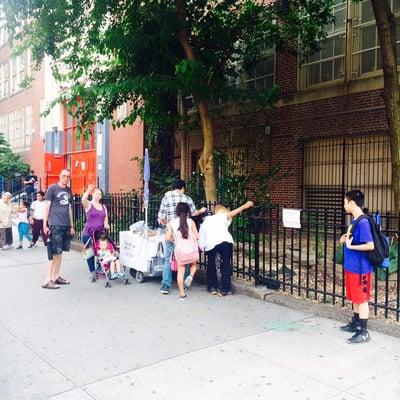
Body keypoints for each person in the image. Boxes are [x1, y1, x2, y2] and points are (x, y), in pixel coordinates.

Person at [157, 179, 206, 295]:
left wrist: (165, 223)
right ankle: (184, 284)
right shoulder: (187, 199)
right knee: (187, 259)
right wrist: (202, 210)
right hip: (185, 235)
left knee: (168, 259)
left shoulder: (166, 198)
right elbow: (194, 213)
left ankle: (165, 285)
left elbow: (161, 218)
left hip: (171, 234)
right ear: (183, 188)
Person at [339, 189, 374, 344]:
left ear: (352, 203)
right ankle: (355, 323)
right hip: (352, 267)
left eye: (345, 202)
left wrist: (351, 247)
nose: (344, 205)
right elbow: (353, 240)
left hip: (361, 269)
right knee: (354, 297)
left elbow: (370, 245)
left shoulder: (363, 222)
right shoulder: (355, 221)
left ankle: (363, 331)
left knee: (362, 299)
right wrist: (345, 239)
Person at [199, 201, 254, 296]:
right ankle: (225, 288)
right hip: (225, 241)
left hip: (210, 243)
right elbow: (234, 212)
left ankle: (212, 286)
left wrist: (202, 247)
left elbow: (201, 235)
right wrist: (246, 205)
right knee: (225, 264)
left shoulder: (207, 220)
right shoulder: (223, 215)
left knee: (211, 264)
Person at [42, 169, 74, 289]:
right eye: (64, 176)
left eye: (68, 176)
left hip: (65, 225)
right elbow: (47, 207)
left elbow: (69, 208)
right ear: (60, 176)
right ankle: (47, 279)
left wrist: (71, 225)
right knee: (54, 252)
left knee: (60, 253)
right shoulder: (52, 188)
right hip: (55, 225)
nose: (66, 178)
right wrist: (45, 224)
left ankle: (56, 276)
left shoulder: (69, 190)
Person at [166, 202, 199, 302]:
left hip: (179, 251)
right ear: (188, 211)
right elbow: (197, 237)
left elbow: (167, 238)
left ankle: (182, 295)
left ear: (177, 211)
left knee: (180, 272)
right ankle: (191, 276)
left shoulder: (171, 223)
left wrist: (175, 240)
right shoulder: (191, 222)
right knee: (193, 265)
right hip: (191, 250)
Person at [81, 184, 110, 282]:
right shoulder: (89, 204)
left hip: (99, 234)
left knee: (101, 251)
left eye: (99, 194)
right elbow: (83, 200)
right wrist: (88, 190)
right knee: (90, 253)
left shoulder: (103, 206)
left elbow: (105, 218)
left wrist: (106, 224)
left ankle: (101, 268)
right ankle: (92, 272)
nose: (98, 195)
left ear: (101, 196)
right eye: (96, 193)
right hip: (88, 233)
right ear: (93, 194)